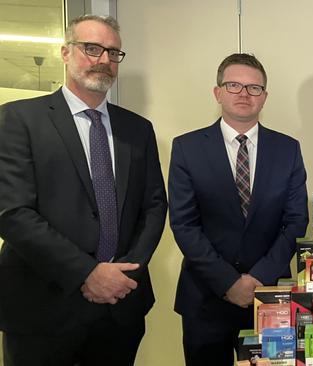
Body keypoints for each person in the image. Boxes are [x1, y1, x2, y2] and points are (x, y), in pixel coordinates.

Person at [0, 15, 167, 366]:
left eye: (113, 52)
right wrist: (88, 273)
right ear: (65, 52)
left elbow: (153, 207)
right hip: (42, 309)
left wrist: (123, 274)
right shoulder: (17, 120)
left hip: (120, 309)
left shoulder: (138, 129)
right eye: (92, 48)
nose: (103, 60)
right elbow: (13, 213)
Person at [168, 53, 309, 366]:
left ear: (264, 97)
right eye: (234, 85)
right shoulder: (187, 148)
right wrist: (228, 282)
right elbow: (184, 224)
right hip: (205, 298)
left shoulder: (288, 149)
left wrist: (258, 277)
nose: (244, 94)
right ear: (218, 92)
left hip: (268, 298)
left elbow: (296, 221)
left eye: (254, 88)